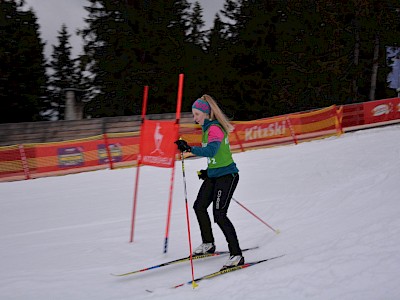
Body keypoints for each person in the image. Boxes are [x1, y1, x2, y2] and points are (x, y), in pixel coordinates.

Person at [175, 94, 243, 270]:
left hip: (227, 176)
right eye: (193, 114)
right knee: (199, 206)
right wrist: (208, 171)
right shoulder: (207, 130)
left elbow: (212, 151)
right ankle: (208, 243)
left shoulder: (214, 129)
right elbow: (218, 155)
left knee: (219, 215)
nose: (194, 118)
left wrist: (189, 149)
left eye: (196, 114)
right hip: (215, 175)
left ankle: (236, 254)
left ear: (205, 113)